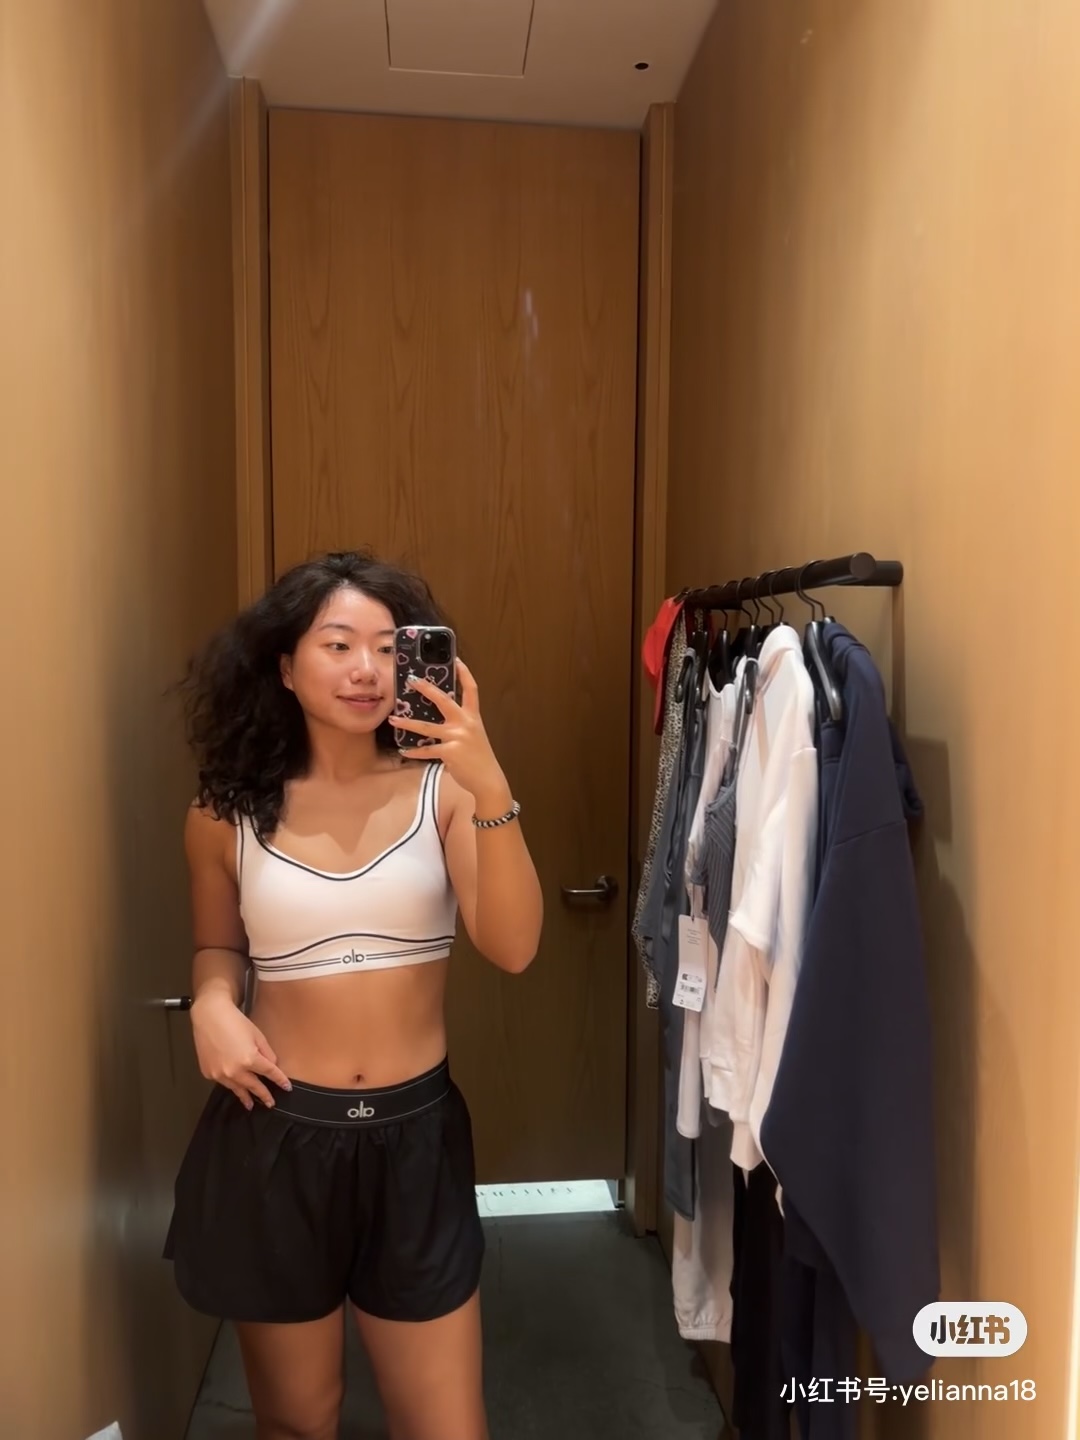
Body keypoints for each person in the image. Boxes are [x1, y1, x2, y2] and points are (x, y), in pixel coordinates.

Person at [163, 549, 543, 1440]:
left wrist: (490, 782)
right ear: (285, 668)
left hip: (416, 1140)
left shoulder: (447, 793)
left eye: (385, 645)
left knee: (446, 1428)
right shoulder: (223, 813)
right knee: (298, 1422)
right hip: (277, 1133)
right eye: (337, 645)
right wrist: (212, 1005)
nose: (366, 669)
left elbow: (514, 948)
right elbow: (218, 947)